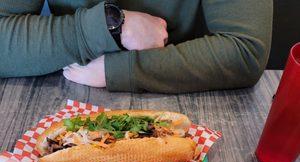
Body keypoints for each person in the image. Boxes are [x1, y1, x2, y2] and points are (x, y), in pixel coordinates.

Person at [0, 1, 273, 93]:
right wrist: (114, 25)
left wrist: (119, 69)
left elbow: (245, 50)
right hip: (70, 86)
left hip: (192, 93)